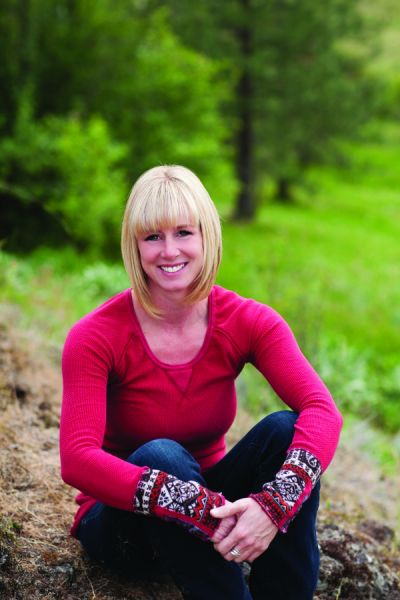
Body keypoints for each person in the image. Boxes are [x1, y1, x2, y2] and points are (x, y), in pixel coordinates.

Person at [60, 164, 343, 600]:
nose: (169, 250)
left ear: (207, 235)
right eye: (152, 237)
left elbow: (322, 411)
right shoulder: (95, 337)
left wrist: (271, 508)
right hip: (123, 523)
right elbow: (77, 460)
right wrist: (197, 508)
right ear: (134, 246)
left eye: (183, 233)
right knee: (160, 454)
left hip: (212, 511)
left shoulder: (248, 321)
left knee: (286, 430)